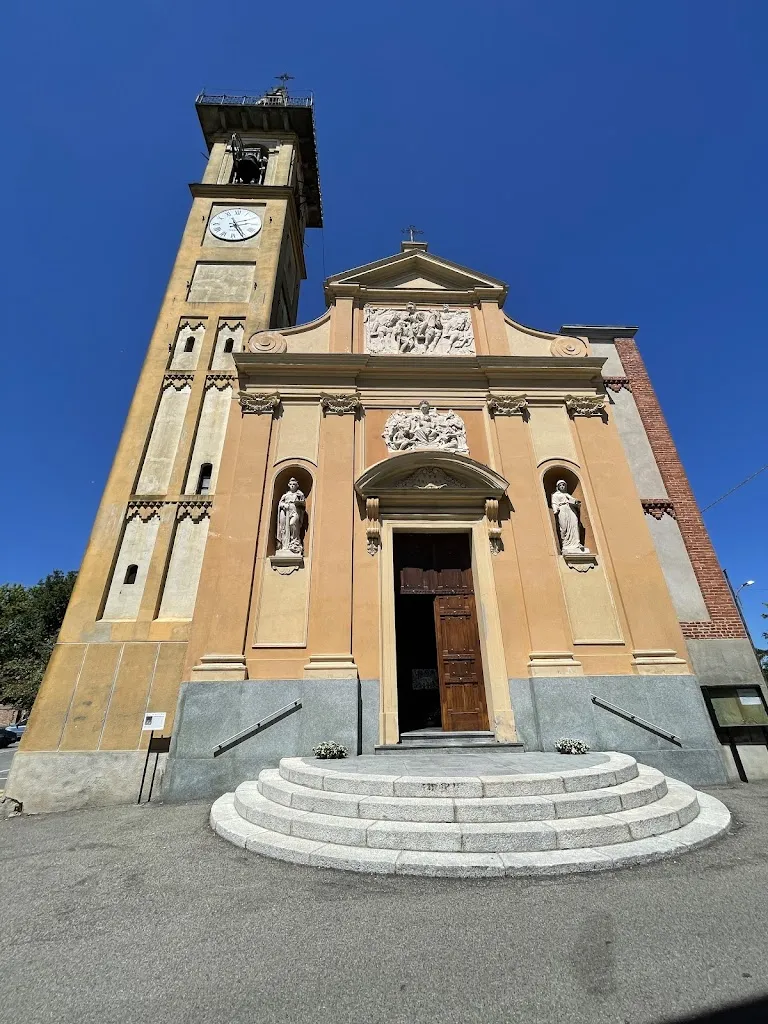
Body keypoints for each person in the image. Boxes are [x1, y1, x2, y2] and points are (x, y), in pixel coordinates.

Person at [551, 480, 588, 553]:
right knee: (564, 527)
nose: (562, 486)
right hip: (562, 510)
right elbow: (554, 503)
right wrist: (556, 509)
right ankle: (565, 544)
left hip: (571, 510)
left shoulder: (568, 495)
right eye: (560, 485)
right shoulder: (555, 495)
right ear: (558, 487)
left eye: (563, 485)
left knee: (574, 525)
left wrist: (576, 503)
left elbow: (574, 502)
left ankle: (577, 544)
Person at [276, 478, 306, 554]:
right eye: (291, 484)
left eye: (294, 484)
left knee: (293, 524)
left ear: (297, 486)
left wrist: (299, 502)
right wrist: (284, 505)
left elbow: (303, 504)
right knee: (284, 527)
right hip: (285, 512)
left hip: (294, 510)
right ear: (289, 485)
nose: (292, 486)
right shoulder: (285, 495)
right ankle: (285, 544)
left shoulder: (299, 494)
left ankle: (294, 542)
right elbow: (280, 504)